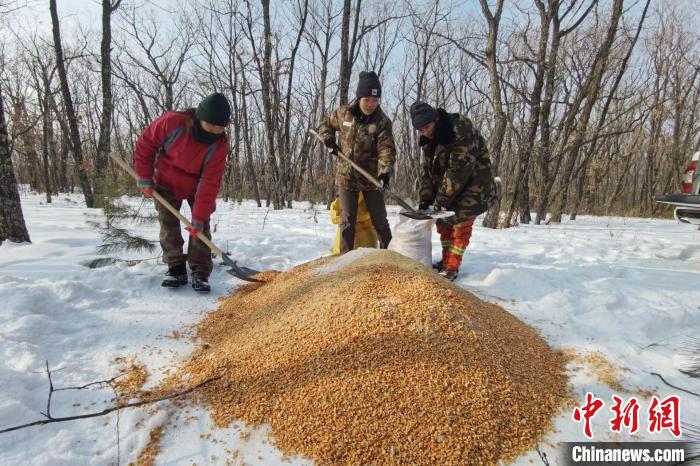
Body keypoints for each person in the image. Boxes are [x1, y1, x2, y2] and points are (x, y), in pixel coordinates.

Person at [133, 93, 231, 293]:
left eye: (220, 128)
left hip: (198, 186)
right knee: (168, 223)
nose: (215, 131)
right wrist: (144, 176)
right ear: (199, 118)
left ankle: (201, 271)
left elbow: (210, 181)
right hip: (166, 180)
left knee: (200, 227)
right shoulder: (172, 123)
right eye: (211, 125)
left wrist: (199, 216)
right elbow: (146, 144)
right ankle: (175, 267)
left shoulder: (219, 146)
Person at [410, 101, 496, 281]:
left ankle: (452, 266)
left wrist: (439, 202)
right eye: (421, 129)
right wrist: (426, 198)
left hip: (473, 187)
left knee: (460, 226)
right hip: (449, 186)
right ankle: (445, 260)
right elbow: (428, 172)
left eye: (427, 126)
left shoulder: (460, 132)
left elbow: (457, 172)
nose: (425, 132)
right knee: (443, 223)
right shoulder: (428, 141)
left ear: (436, 119)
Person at [319, 71, 396, 254]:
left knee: (379, 220)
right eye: (367, 99)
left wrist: (384, 173)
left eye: (375, 100)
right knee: (347, 220)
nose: (371, 104)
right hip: (346, 176)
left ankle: (390, 256)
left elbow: (387, 149)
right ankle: (345, 261)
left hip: (371, 179)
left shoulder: (382, 122)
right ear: (359, 97)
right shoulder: (344, 114)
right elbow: (325, 125)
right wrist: (329, 140)